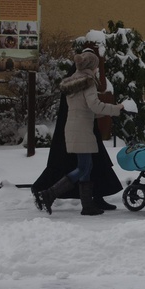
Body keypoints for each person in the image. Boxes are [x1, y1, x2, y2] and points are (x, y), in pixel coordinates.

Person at [31, 51, 124, 213]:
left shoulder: (73, 81)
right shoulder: (88, 82)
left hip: (74, 127)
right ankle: (49, 194)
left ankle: (87, 205)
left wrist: (107, 111)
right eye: (96, 66)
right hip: (83, 130)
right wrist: (117, 109)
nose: (97, 69)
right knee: (83, 167)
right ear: (91, 66)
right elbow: (94, 106)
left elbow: (86, 109)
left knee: (86, 166)